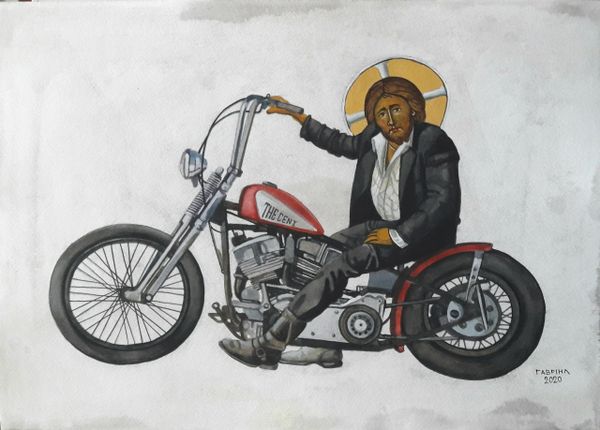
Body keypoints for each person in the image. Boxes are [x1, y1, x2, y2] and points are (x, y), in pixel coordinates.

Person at [219, 77, 461, 369]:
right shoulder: (375, 137)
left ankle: (270, 344)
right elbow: (341, 143)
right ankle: (326, 346)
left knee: (341, 264)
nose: (389, 119)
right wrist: (299, 117)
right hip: (379, 226)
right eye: (382, 113)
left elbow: (442, 200)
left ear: (412, 108)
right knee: (318, 253)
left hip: (420, 233)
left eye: (396, 109)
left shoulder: (433, 141)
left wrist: (398, 235)